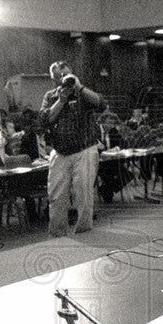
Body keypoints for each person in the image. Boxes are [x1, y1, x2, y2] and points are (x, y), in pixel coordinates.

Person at [39, 61, 106, 237]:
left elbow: (101, 104)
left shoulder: (82, 93)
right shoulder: (50, 96)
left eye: (67, 75)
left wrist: (79, 86)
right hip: (60, 153)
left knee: (83, 196)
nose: (64, 80)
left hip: (84, 150)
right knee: (56, 195)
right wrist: (61, 100)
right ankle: (57, 235)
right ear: (52, 79)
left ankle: (84, 234)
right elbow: (44, 121)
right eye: (59, 77)